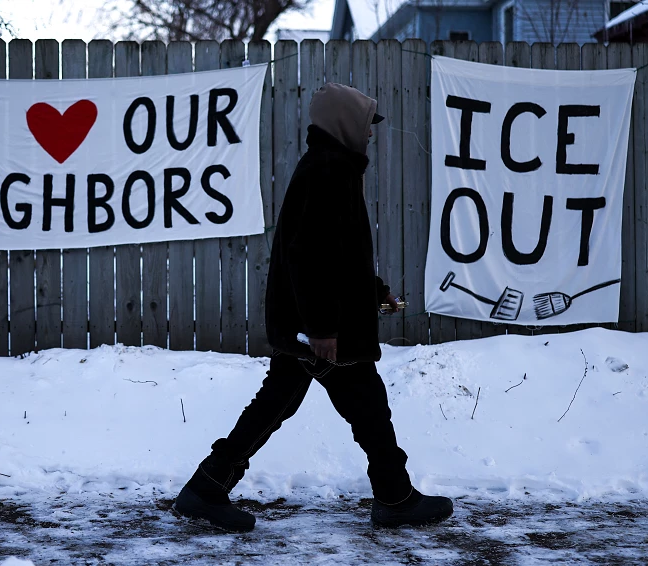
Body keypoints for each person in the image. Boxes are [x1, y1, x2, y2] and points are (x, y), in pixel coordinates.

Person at [173, 83, 453, 532]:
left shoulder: (332, 167)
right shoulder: (327, 171)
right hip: (323, 330)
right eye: (367, 126)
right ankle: (395, 498)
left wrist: (374, 290)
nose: (372, 135)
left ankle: (206, 487)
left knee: (291, 405)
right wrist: (322, 329)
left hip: (317, 325)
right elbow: (310, 257)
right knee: (363, 408)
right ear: (344, 125)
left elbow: (341, 253)